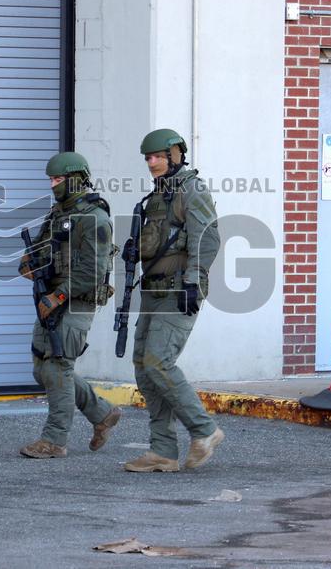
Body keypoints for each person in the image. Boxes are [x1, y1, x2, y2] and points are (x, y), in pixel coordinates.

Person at [124, 129, 224, 473]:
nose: (151, 163)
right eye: (147, 158)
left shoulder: (191, 190)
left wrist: (194, 281)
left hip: (179, 289)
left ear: (175, 154)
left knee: (159, 362)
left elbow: (207, 239)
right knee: (143, 366)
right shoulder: (157, 196)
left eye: (157, 156)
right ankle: (163, 451)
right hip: (153, 291)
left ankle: (204, 430)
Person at [18, 151, 122, 459]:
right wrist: (28, 263)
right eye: (51, 179)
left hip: (74, 303)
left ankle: (54, 440)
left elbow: (91, 271)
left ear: (76, 180)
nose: (53, 185)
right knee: (42, 368)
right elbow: (39, 250)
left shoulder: (95, 218)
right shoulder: (57, 215)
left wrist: (58, 296)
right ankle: (102, 413)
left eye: (59, 179)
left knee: (59, 366)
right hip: (50, 299)